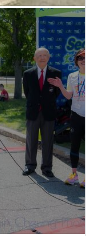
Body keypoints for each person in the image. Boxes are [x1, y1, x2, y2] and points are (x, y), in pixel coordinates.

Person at [22, 47, 61, 177]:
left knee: (48, 141)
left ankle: (47, 167)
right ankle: (30, 165)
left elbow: (56, 92)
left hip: (48, 112)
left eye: (45, 55)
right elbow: (28, 93)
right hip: (33, 112)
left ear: (48, 57)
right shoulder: (28, 74)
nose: (42, 57)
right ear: (34, 58)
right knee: (31, 140)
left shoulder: (56, 73)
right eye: (39, 55)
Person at [49, 49, 85, 188]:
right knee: (74, 145)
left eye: (85, 57)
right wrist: (60, 86)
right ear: (76, 61)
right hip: (76, 115)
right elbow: (69, 96)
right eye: (80, 58)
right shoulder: (72, 76)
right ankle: (74, 175)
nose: (83, 60)